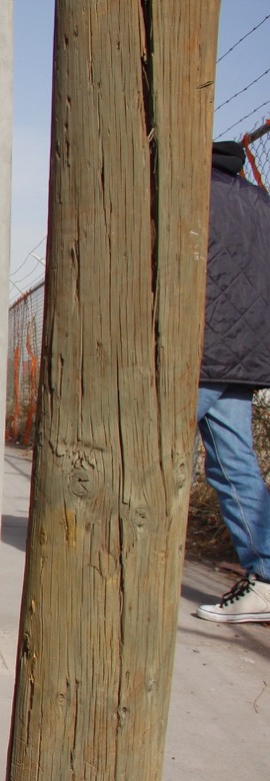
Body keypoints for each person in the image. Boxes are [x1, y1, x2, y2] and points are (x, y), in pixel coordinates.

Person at [194, 141, 270, 624]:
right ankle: (265, 579)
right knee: (233, 462)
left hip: (195, 351)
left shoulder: (189, 192)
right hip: (244, 357)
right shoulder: (260, 203)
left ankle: (108, 562)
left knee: (134, 451)